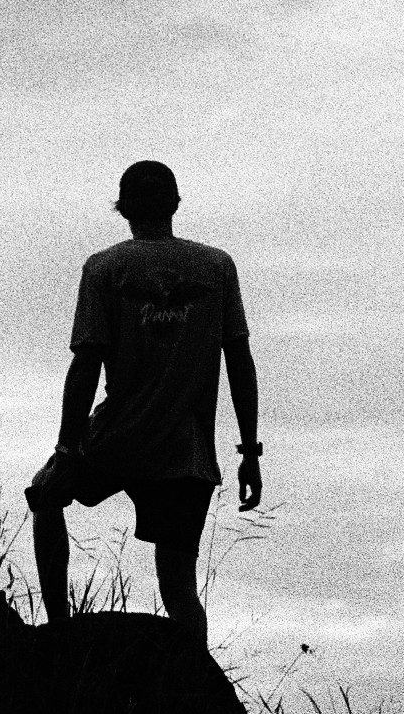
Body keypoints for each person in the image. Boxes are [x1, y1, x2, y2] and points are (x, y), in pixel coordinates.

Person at [27, 159, 262, 651]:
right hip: (186, 455)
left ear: (123, 207)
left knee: (46, 496)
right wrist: (248, 453)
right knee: (180, 592)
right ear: (176, 203)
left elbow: (85, 365)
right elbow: (239, 360)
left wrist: (68, 451)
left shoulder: (106, 267)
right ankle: (198, 697)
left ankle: (59, 636)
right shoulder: (216, 266)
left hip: (117, 439)